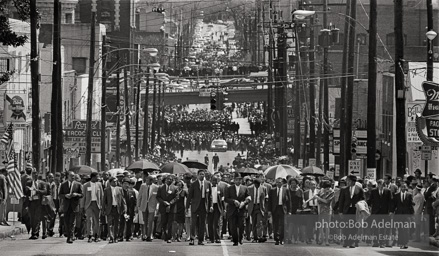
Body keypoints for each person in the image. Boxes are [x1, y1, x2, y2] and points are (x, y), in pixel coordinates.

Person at [337, 175, 364, 248]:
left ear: (353, 181)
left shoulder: (359, 189)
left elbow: (363, 200)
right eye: (347, 181)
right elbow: (341, 201)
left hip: (355, 211)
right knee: (345, 226)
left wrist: (361, 210)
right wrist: (340, 211)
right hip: (346, 210)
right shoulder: (344, 189)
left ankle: (352, 242)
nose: (347, 182)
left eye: (348, 181)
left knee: (354, 227)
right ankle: (346, 242)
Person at [187, 170, 212, 246]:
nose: (202, 175)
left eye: (203, 174)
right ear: (197, 175)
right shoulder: (194, 184)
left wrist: (210, 205)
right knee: (193, 223)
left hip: (204, 205)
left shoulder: (208, 183)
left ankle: (201, 240)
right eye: (200, 174)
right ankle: (192, 239)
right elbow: (189, 196)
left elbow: (210, 196)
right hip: (195, 205)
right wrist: (187, 206)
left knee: (202, 223)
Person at [224, 172, 250, 246]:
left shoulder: (245, 188)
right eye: (237, 180)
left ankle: (240, 238)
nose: (238, 181)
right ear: (234, 180)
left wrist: (244, 203)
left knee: (241, 225)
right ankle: (235, 240)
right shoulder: (229, 188)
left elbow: (248, 198)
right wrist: (233, 201)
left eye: (240, 179)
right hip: (232, 210)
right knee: (233, 226)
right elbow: (226, 199)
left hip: (241, 210)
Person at [59, 171, 83, 244]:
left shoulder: (78, 184)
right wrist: (65, 196)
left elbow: (82, 195)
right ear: (68, 176)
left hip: (74, 206)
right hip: (66, 206)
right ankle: (69, 235)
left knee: (72, 222)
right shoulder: (63, 185)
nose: (72, 177)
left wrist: (76, 195)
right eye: (71, 176)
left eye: (73, 176)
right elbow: (60, 195)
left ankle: (70, 237)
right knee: (66, 222)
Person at [367, 179, 392, 248]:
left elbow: (390, 202)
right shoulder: (373, 191)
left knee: (383, 228)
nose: (380, 185)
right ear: (378, 184)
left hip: (384, 212)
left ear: (384, 184)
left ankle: (382, 243)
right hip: (375, 212)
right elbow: (370, 200)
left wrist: (390, 211)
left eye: (382, 184)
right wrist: (365, 206)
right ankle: (375, 242)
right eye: (379, 184)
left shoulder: (388, 191)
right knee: (375, 227)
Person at [103, 176, 126, 244]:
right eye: (114, 181)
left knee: (117, 223)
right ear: (110, 183)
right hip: (110, 208)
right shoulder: (106, 190)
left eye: (116, 181)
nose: (115, 182)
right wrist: (103, 209)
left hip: (117, 208)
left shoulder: (120, 189)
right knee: (110, 223)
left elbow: (122, 199)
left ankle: (116, 237)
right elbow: (104, 201)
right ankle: (111, 237)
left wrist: (124, 208)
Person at [391, 183, 414, 249]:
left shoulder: (409, 195)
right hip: (399, 214)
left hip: (407, 215)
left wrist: (412, 215)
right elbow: (394, 205)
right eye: (402, 187)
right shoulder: (396, 195)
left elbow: (411, 205)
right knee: (400, 229)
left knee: (406, 229)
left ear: (406, 187)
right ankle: (400, 243)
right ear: (400, 187)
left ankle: (405, 243)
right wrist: (391, 212)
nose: (403, 188)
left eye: (404, 187)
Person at [83, 172, 103, 243]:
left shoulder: (99, 185)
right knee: (89, 220)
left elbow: (101, 196)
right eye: (97, 177)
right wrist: (82, 206)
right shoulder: (86, 185)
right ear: (93, 177)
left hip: (97, 204)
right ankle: (90, 235)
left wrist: (102, 205)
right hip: (89, 204)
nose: (98, 178)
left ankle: (96, 235)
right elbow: (83, 197)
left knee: (97, 220)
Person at [137, 174, 159, 242]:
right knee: (144, 221)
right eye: (146, 180)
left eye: (148, 180)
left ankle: (150, 234)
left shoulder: (156, 187)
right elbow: (139, 196)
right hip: (144, 205)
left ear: (151, 181)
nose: (146, 181)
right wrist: (138, 205)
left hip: (152, 206)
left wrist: (156, 207)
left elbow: (157, 198)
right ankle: (144, 234)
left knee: (150, 221)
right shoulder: (143, 186)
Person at [156, 175, 177, 243]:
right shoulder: (161, 187)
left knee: (170, 223)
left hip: (171, 207)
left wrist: (170, 203)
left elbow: (176, 197)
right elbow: (158, 197)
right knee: (164, 222)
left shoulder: (175, 188)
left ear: (172, 180)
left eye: (170, 179)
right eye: (168, 179)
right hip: (163, 207)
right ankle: (165, 235)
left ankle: (169, 237)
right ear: (165, 180)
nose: (169, 180)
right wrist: (163, 202)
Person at [269, 177, 289, 245]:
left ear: (282, 183)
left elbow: (289, 201)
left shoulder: (286, 190)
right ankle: (276, 239)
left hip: (282, 209)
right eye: (277, 182)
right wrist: (269, 210)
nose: (278, 184)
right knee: (275, 224)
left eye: (279, 182)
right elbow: (270, 201)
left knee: (283, 224)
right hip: (275, 208)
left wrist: (289, 210)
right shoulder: (272, 190)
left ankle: (282, 238)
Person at [315, 180, 334, 246]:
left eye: (328, 187)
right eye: (326, 187)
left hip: (328, 211)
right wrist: (318, 197)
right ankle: (322, 239)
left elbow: (327, 201)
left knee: (327, 226)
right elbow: (317, 197)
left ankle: (326, 241)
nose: (327, 189)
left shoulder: (332, 192)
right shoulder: (321, 191)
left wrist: (319, 198)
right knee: (320, 226)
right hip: (321, 210)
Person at [247, 178, 266, 243]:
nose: (258, 186)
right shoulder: (249, 188)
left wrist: (264, 208)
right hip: (252, 207)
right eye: (256, 185)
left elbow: (265, 198)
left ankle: (259, 236)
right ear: (254, 184)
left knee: (259, 222)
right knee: (253, 223)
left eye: (259, 185)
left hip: (259, 207)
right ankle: (255, 237)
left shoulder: (263, 188)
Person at [207, 175, 224, 243]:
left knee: (216, 223)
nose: (214, 182)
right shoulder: (208, 187)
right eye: (213, 180)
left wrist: (224, 208)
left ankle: (217, 238)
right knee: (210, 223)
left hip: (217, 206)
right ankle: (211, 238)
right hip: (209, 206)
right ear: (211, 180)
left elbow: (222, 199)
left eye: (216, 180)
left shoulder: (220, 188)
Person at [118, 178, 137, 242]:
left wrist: (135, 209)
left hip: (130, 210)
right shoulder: (120, 191)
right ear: (122, 184)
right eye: (125, 184)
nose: (126, 185)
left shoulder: (132, 192)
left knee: (129, 223)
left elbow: (134, 201)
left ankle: (128, 236)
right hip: (122, 209)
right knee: (121, 223)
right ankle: (120, 236)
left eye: (127, 184)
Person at [286, 177, 303, 244]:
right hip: (290, 209)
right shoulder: (288, 191)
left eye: (294, 183)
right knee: (290, 224)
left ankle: (295, 239)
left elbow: (301, 201)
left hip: (297, 210)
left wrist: (300, 209)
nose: (293, 184)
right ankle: (289, 238)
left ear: (297, 183)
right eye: (292, 183)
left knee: (296, 225)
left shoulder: (300, 191)